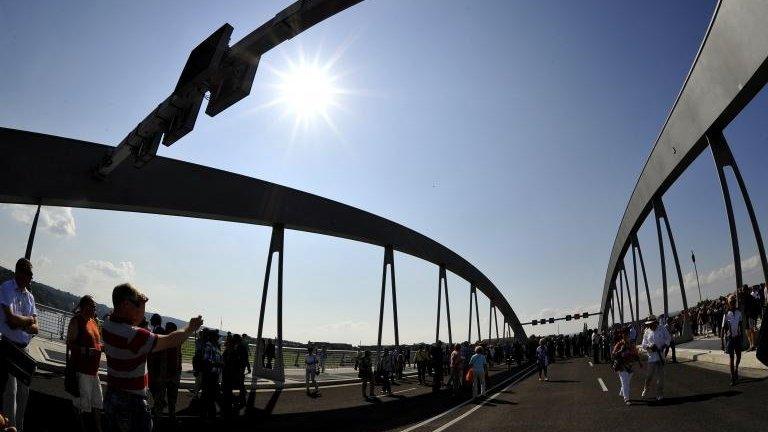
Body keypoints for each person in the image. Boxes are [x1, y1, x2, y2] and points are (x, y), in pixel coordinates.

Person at [101, 283, 203, 432]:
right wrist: (190, 327)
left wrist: (140, 303)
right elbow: (170, 340)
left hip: (112, 395)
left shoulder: (108, 325)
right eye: (135, 304)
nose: (139, 309)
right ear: (125, 304)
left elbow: (133, 320)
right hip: (132, 401)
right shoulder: (135, 336)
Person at [0, 258, 38, 432]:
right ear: (18, 272)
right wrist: (27, 320)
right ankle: (10, 428)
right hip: (8, 347)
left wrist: (22, 321)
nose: (29, 278)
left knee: (24, 395)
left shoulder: (30, 297)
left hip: (24, 349)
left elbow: (35, 328)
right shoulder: (6, 288)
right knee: (11, 393)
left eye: (30, 274)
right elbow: (10, 319)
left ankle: (19, 428)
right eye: (26, 273)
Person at [66, 295, 103, 432]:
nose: (95, 308)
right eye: (93, 306)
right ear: (85, 306)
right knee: (83, 405)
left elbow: (97, 343)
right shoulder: (76, 321)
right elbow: (69, 344)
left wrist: (100, 348)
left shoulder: (93, 322)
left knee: (98, 403)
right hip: (81, 371)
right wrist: (88, 351)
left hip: (94, 371)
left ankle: (98, 429)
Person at [641, 316, 669, 400]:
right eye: (648, 324)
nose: (649, 326)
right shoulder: (647, 332)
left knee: (660, 377)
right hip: (651, 357)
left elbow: (668, 338)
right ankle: (646, 388)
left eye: (651, 324)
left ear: (655, 323)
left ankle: (659, 393)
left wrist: (663, 346)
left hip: (660, 356)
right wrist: (650, 347)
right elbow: (643, 345)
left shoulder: (662, 329)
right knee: (649, 376)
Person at [612, 328, 641, 405]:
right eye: (624, 334)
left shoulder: (631, 344)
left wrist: (640, 362)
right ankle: (626, 399)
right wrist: (621, 351)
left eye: (626, 334)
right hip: (622, 366)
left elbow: (636, 354)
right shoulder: (619, 344)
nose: (625, 335)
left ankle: (622, 392)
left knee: (627, 382)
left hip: (630, 366)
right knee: (625, 382)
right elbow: (613, 355)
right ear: (622, 335)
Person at [200, 330, 223, 421]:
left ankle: (209, 414)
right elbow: (206, 361)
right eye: (217, 336)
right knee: (209, 396)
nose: (218, 338)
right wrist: (218, 364)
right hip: (209, 375)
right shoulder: (209, 345)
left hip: (215, 375)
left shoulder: (215, 346)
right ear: (213, 337)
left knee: (211, 396)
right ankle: (206, 415)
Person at [162, 322, 181, 423]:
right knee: (169, 399)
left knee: (171, 399)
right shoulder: (175, 342)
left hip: (170, 374)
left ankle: (170, 418)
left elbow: (179, 357)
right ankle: (169, 418)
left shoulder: (165, 341)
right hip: (168, 374)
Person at [721, 295, 743, 385]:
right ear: (728, 303)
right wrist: (722, 342)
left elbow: (741, 325)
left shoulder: (739, 313)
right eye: (731, 302)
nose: (733, 303)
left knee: (739, 356)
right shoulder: (726, 314)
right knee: (731, 357)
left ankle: (736, 369)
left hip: (737, 337)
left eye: (734, 301)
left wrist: (742, 336)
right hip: (730, 339)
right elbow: (722, 329)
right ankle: (732, 377)